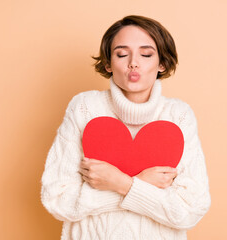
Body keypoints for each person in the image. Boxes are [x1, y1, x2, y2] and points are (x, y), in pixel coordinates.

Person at [41, 15, 211, 240]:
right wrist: (142, 184)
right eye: (122, 54)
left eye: (146, 54)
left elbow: (190, 209)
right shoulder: (84, 108)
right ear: (108, 64)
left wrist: (119, 182)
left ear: (162, 63)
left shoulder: (178, 116)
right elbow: (57, 199)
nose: (134, 62)